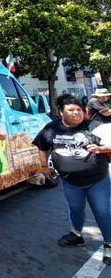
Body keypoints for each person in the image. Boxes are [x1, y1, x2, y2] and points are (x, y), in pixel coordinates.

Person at [33, 95, 111, 265]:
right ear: (61, 112)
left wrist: (101, 148)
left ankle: (109, 244)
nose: (76, 113)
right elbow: (42, 147)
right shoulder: (51, 128)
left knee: (102, 212)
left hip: (97, 179)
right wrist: (44, 167)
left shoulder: (93, 126)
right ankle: (76, 235)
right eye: (71, 110)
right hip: (70, 181)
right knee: (75, 209)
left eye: (79, 109)